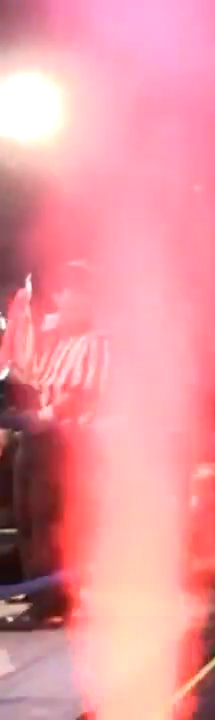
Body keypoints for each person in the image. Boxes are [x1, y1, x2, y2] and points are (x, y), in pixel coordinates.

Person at [4, 261, 109, 624]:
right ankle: (39, 592)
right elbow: (31, 379)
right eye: (61, 292)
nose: (61, 300)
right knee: (28, 518)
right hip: (35, 438)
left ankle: (52, 600)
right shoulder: (57, 343)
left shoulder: (93, 343)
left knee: (48, 520)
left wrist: (45, 417)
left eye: (69, 292)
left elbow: (77, 395)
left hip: (61, 443)